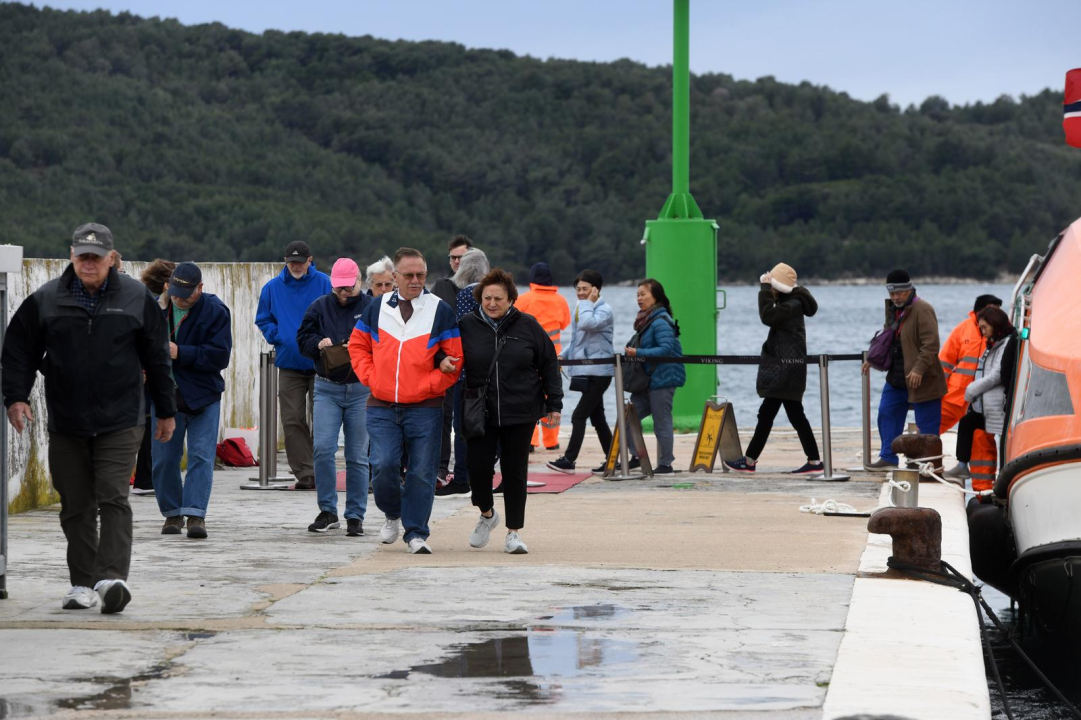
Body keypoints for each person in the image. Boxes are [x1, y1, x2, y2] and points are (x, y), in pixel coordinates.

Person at [2, 223, 176, 613]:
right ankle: (82, 584)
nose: (89, 263)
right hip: (67, 419)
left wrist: (166, 410)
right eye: (82, 256)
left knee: (114, 494)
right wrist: (15, 397)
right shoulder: (46, 299)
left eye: (97, 257)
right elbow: (19, 349)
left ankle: (112, 578)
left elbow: (157, 357)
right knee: (76, 504)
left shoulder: (136, 299)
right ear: (71, 255)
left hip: (121, 417)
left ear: (112, 259)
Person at [349, 247, 462, 554]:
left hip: (425, 407)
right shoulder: (376, 307)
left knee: (422, 472)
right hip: (382, 404)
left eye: (421, 275)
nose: (415, 280)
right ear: (394, 276)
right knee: (383, 465)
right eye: (409, 275)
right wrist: (372, 378)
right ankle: (392, 512)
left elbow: (455, 359)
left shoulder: (440, 310)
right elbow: (357, 346)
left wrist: (429, 384)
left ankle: (416, 533)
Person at [459, 268, 563, 554]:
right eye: (487, 298)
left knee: (514, 472)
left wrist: (554, 403)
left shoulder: (528, 325)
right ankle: (488, 514)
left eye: (499, 299)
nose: (492, 304)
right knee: (477, 470)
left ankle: (513, 532)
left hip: (521, 410)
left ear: (511, 299)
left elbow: (549, 363)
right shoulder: (466, 325)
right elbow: (451, 358)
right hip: (481, 411)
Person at [152, 262, 232, 539]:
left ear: (200, 288)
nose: (179, 298)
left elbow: (220, 357)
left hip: (203, 396)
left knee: (200, 456)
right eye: (174, 292)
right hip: (165, 396)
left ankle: (196, 514)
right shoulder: (156, 310)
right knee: (164, 458)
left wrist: (180, 353)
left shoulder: (215, 311)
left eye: (186, 293)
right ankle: (172, 514)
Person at [297, 258, 374, 536]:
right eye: (339, 288)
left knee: (357, 455)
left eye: (349, 288)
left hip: (361, 390)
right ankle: (328, 510)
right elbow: (302, 339)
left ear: (359, 282)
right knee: (323, 448)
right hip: (327, 387)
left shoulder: (370, 307)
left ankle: (355, 515)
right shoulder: (318, 306)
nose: (344, 293)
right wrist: (317, 344)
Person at [725, 263, 823, 475]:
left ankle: (750, 461)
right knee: (793, 416)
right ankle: (814, 462)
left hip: (785, 371)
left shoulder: (793, 304)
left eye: (771, 286)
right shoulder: (793, 302)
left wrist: (763, 290)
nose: (769, 290)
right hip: (788, 370)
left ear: (778, 286)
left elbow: (767, 316)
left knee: (769, 415)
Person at [255, 241, 332, 489]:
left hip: (321, 363)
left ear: (310, 260)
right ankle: (305, 473)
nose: (296, 266)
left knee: (322, 420)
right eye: (291, 262)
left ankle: (322, 468)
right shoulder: (272, 288)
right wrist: (279, 336)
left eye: (300, 261)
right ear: (285, 262)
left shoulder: (325, 283)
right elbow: (263, 319)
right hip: (289, 364)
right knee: (292, 419)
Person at [863, 269, 947, 470]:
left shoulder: (923, 309)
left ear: (909, 289)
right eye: (892, 293)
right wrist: (873, 358)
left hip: (923, 378)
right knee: (886, 413)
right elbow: (888, 338)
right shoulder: (893, 308)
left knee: (927, 426)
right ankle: (888, 458)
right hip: (897, 377)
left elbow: (931, 344)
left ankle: (928, 464)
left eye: (899, 293)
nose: (895, 297)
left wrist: (918, 369)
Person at [434, 248, 492, 498]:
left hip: (467, 371)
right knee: (486, 426)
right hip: (491, 370)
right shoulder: (493, 294)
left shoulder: (468, 293)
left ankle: (461, 477)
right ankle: (482, 475)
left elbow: (460, 330)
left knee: (462, 425)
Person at [547, 269, 614, 475]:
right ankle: (615, 459)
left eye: (585, 289)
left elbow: (587, 324)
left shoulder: (604, 310)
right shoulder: (582, 307)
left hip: (600, 371)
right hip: (588, 370)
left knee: (578, 416)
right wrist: (564, 355)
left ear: (596, 289)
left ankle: (569, 460)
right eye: (578, 289)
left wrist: (586, 303)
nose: (581, 293)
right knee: (598, 419)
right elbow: (578, 339)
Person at [623, 278, 685, 474]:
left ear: (655, 296)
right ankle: (637, 457)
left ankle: (666, 464)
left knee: (662, 421)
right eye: (637, 295)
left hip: (663, 380)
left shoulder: (660, 321)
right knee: (626, 419)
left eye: (643, 294)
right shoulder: (646, 320)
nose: (639, 298)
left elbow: (666, 349)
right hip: (647, 380)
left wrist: (637, 353)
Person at [940, 294, 1003, 482]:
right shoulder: (962, 330)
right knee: (929, 426)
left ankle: (982, 491)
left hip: (983, 398)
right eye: (991, 310)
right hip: (955, 394)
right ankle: (925, 465)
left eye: (997, 311)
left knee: (981, 442)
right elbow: (945, 362)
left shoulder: (1001, 335)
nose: (995, 314)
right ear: (979, 311)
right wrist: (934, 392)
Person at [954, 307, 1017, 489]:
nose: (982, 331)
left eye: (984, 327)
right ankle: (962, 466)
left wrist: (971, 390)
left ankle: (999, 479)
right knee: (967, 423)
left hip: (998, 404)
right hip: (988, 404)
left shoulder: (1004, 344)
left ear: (994, 324)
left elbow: (996, 374)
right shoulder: (995, 343)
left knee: (1002, 441)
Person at [130, 258, 176, 496]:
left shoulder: (148, 300)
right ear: (168, 285)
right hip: (144, 373)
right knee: (148, 423)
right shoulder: (151, 304)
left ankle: (144, 479)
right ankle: (145, 479)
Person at [514, 262, 571, 452]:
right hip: (553, 357)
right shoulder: (561, 300)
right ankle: (551, 442)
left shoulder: (523, 300)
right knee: (551, 397)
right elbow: (564, 324)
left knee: (529, 397)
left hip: (528, 357)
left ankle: (530, 441)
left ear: (532, 280)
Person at [430, 235, 473, 486]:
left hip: (474, 366)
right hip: (446, 364)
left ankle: (466, 471)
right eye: (453, 257)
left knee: (469, 420)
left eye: (462, 257)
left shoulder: (482, 287)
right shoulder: (442, 286)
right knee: (443, 417)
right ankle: (440, 468)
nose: (457, 261)